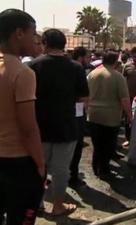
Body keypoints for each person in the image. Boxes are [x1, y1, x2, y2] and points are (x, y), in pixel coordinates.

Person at [28, 29, 89, 216]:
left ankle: (36, 204)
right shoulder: (76, 68)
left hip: (39, 128)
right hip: (66, 127)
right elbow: (83, 98)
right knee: (61, 171)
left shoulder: (32, 66)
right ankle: (58, 206)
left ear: (45, 43)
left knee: (38, 168)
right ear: (64, 44)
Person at [0, 9, 45, 225]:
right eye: (32, 32)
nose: (35, 39)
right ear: (19, 33)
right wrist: (40, 164)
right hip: (16, 163)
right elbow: (28, 128)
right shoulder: (22, 72)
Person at [87, 51, 131, 178]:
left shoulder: (92, 74)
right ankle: (104, 171)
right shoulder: (117, 77)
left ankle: (96, 168)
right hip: (110, 118)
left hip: (93, 115)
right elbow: (124, 99)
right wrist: (129, 115)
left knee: (97, 145)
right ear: (115, 62)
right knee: (107, 146)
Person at [69, 47, 90, 187]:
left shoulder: (66, 66)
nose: (89, 59)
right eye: (87, 56)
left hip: (65, 111)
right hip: (76, 112)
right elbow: (84, 95)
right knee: (76, 146)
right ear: (81, 57)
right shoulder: (78, 69)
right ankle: (73, 177)